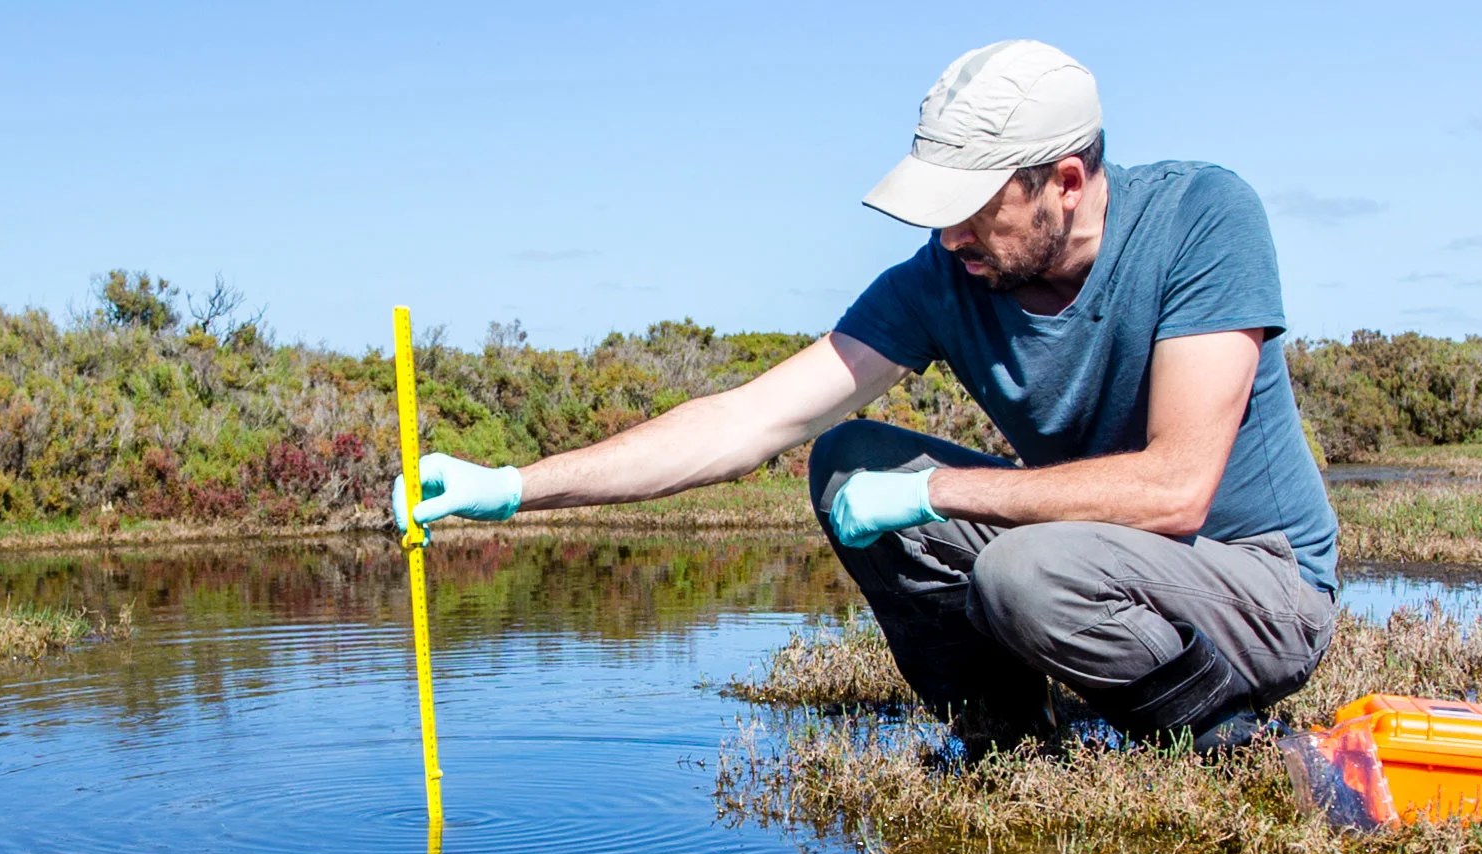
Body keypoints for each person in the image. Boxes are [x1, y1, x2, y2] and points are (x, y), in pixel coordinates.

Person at [390, 39, 1338, 754]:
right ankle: (1006, 743)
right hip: (1093, 559)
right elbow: (747, 419)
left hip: (1256, 579)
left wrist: (941, 494)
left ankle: (1227, 744)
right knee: (849, 458)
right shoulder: (945, 276)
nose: (948, 232)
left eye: (973, 205)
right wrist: (512, 484)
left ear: (1066, 180)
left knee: (1024, 572)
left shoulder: (1204, 218)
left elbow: (1175, 491)